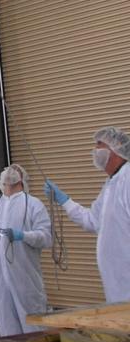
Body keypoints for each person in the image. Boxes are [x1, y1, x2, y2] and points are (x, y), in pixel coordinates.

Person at [45, 126, 130, 303]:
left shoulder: (127, 179)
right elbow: (92, 221)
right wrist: (64, 200)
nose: (95, 150)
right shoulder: (110, 185)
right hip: (117, 283)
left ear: (115, 149)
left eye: (99, 144)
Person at [0, 165, 51, 336]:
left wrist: (23, 236)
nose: (10, 170)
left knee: (32, 326)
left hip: (25, 278)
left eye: (15, 169)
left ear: (22, 179)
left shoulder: (33, 204)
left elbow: (45, 237)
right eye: (8, 168)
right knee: (6, 328)